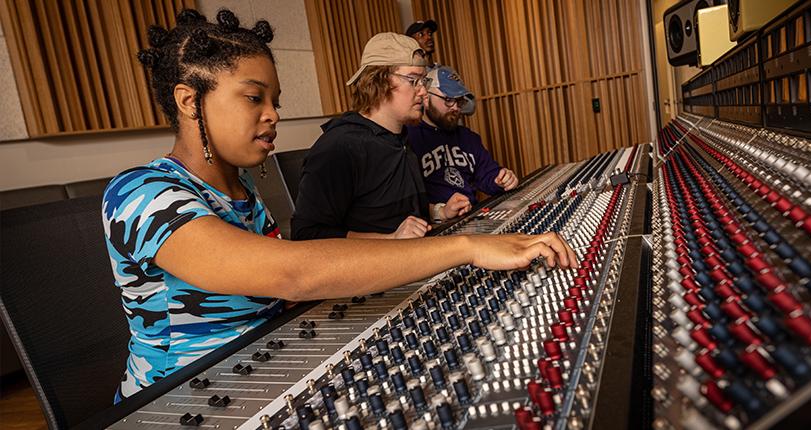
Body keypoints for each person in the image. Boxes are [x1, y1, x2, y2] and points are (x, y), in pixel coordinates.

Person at [103, 9, 577, 400]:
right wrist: (466, 248)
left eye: (276, 100)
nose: (273, 115)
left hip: (266, 372)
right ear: (189, 101)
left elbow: (287, 294)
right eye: (253, 98)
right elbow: (289, 273)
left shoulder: (242, 191)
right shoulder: (140, 194)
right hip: (179, 399)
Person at [290, 33, 434, 240]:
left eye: (424, 81)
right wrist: (390, 240)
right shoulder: (339, 147)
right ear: (380, 81)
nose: (423, 92)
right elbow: (307, 235)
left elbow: (396, 215)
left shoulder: (401, 139)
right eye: (413, 80)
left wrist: (437, 212)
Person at [408, 66, 518, 222]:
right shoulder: (408, 140)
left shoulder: (469, 138)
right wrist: (440, 211)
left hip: (472, 219)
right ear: (426, 98)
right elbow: (403, 203)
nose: (455, 108)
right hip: (434, 229)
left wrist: (501, 180)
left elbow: (488, 175)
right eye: (448, 99)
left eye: (459, 101)